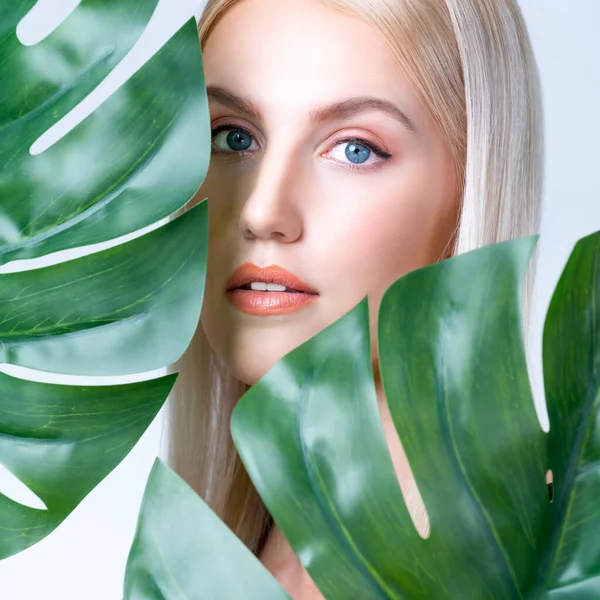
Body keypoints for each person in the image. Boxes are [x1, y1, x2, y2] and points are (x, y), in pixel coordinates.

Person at [167, 0, 544, 597]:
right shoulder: (226, 560)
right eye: (233, 137)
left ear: (470, 187)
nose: (263, 212)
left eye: (355, 149)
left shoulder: (549, 560)